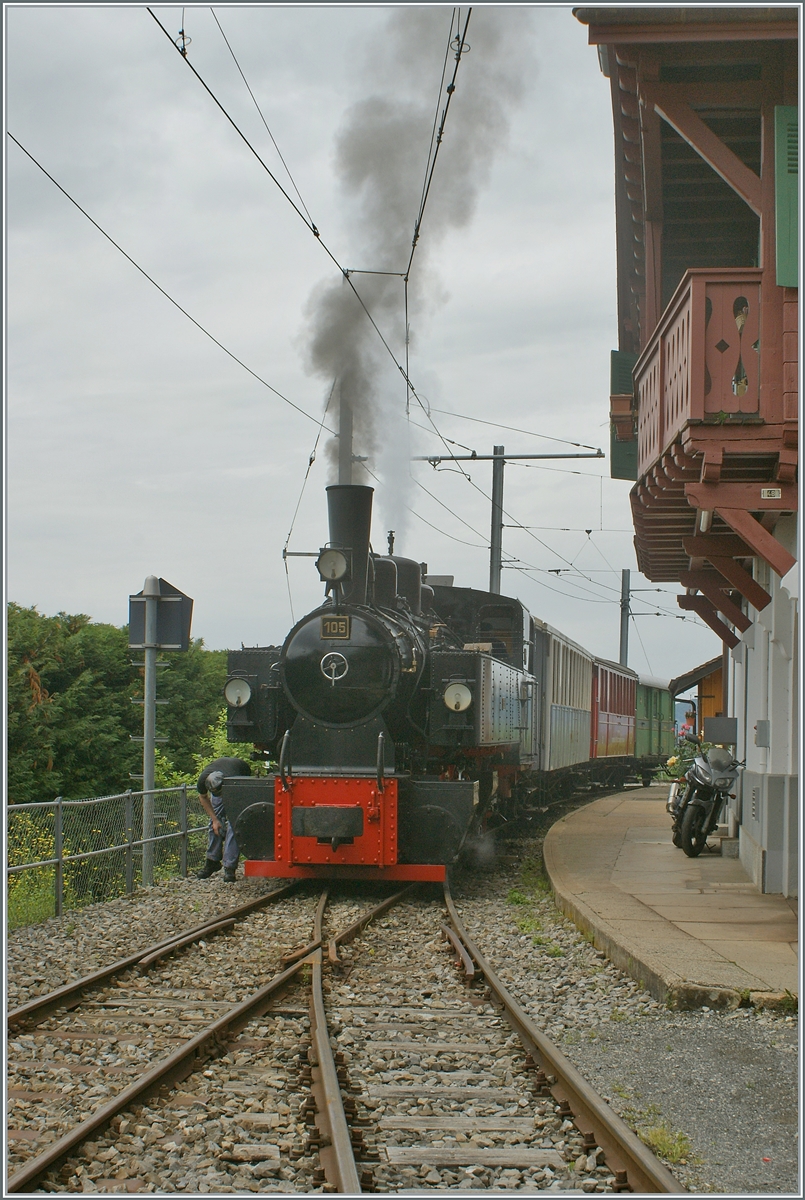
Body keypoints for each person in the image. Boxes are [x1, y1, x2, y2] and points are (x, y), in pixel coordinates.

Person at [196, 756, 251, 882]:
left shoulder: (234, 779)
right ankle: (212, 861)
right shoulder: (203, 780)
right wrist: (215, 820)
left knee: (235, 824)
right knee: (214, 822)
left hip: (238, 782)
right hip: (225, 780)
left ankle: (229, 867)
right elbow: (203, 798)